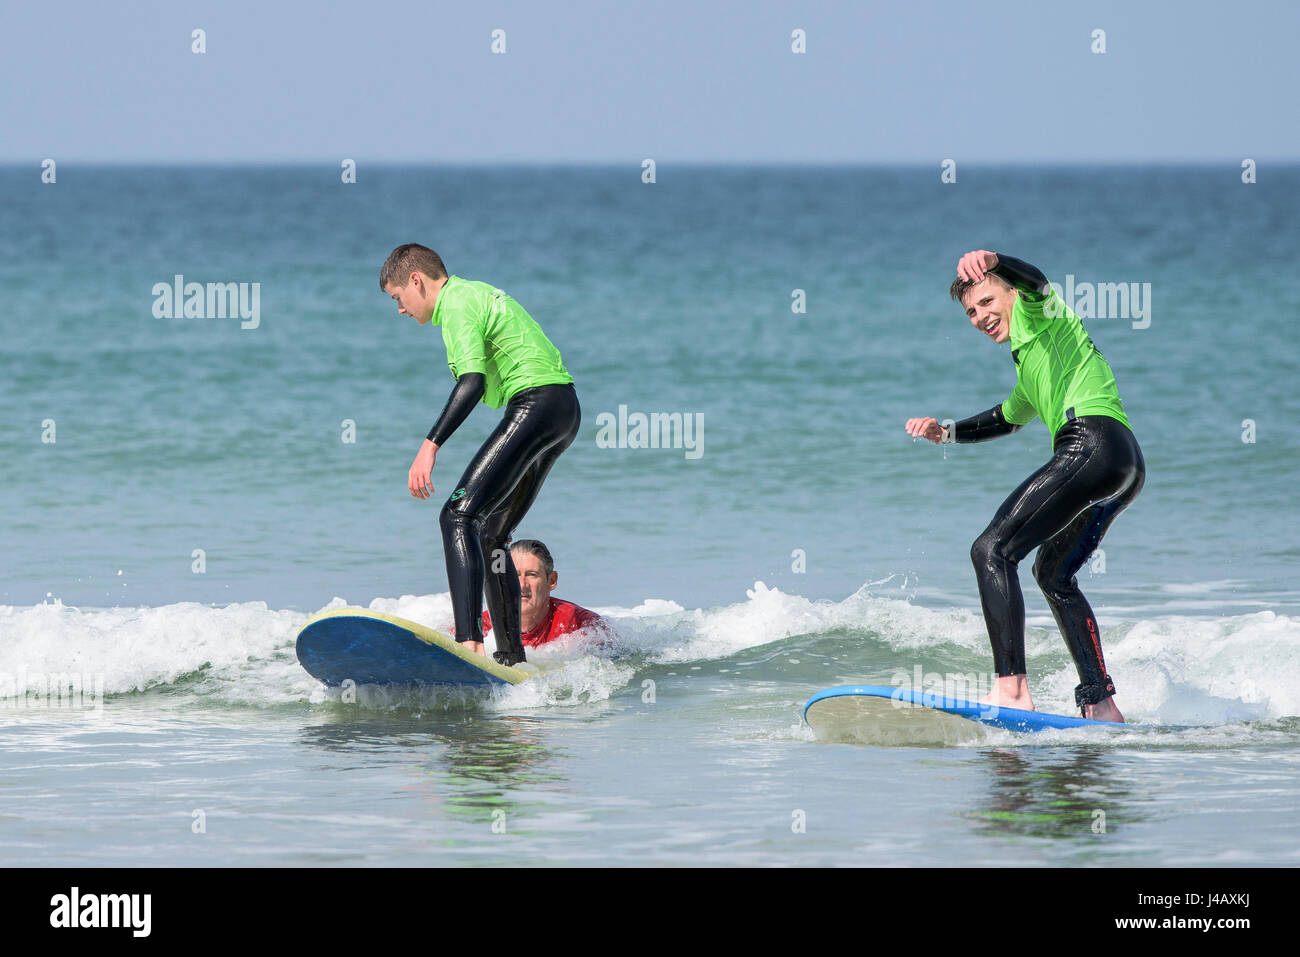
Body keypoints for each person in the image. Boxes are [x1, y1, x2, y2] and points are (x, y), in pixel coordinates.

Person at [904, 250, 1145, 723]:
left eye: (987, 302)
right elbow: (1007, 418)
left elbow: (1035, 280)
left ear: (1011, 293)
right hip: (1125, 463)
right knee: (1052, 576)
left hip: (1090, 443)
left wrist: (995, 257)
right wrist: (946, 431)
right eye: (971, 311)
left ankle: (1011, 690)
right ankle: (1101, 703)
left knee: (991, 550)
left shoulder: (1044, 313)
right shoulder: (1030, 360)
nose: (980, 317)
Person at [381, 244, 581, 666]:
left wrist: (428, 446)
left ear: (415, 281)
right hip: (563, 411)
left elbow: (470, 383)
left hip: (536, 404)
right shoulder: (475, 293)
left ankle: (469, 641)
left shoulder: (454, 304)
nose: (399, 309)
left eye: (398, 297)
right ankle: (511, 659)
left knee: (457, 516)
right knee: (491, 534)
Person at [479, 539, 606, 649]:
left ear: (551, 581)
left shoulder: (581, 625)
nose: (522, 585)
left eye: (532, 575)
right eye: (514, 574)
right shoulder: (483, 627)